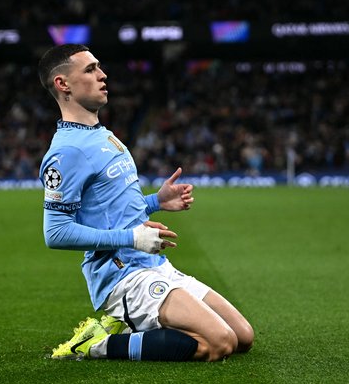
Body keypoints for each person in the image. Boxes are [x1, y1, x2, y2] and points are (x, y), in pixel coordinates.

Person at [36, 44, 253, 362]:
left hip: (154, 266)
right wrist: (132, 238)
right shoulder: (67, 152)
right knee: (219, 343)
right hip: (123, 275)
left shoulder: (103, 135)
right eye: (90, 69)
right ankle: (97, 344)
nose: (102, 74)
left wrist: (155, 202)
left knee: (243, 337)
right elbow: (55, 232)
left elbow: (110, 208)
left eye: (99, 67)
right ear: (63, 84)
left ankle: (128, 327)